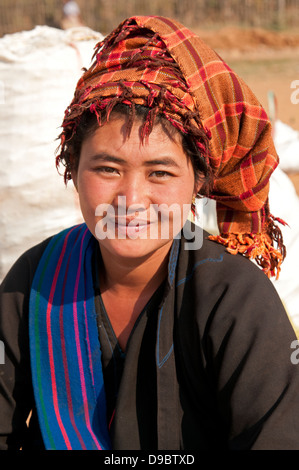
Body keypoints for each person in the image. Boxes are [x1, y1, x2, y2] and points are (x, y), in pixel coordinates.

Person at [1, 16, 299, 451]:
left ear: (199, 182)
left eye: (160, 172)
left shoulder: (233, 298)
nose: (131, 198)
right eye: (107, 168)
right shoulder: (36, 282)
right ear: (73, 170)